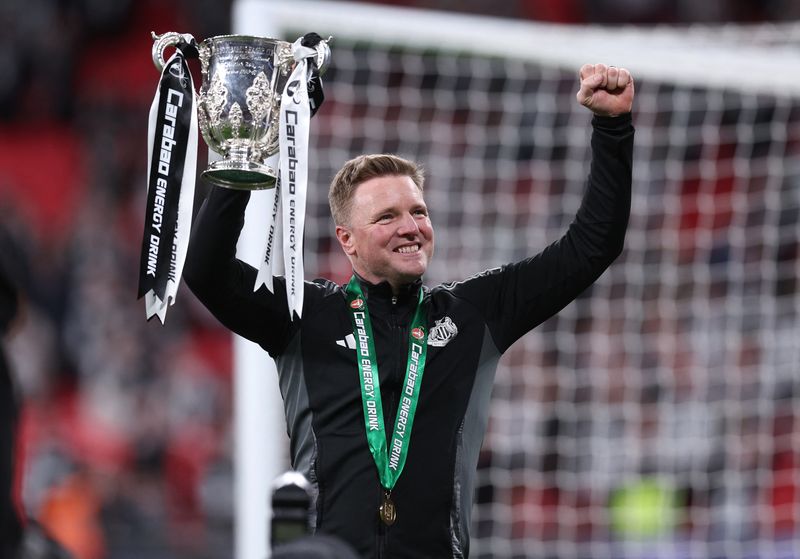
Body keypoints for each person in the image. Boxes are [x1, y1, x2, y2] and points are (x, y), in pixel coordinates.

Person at [184, 63, 635, 558]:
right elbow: (206, 270)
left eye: (418, 211)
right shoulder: (302, 313)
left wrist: (611, 128)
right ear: (347, 241)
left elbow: (592, 246)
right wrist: (250, 147)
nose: (411, 227)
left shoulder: (472, 315)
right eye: (387, 216)